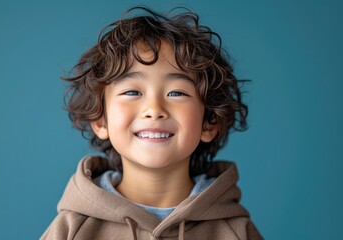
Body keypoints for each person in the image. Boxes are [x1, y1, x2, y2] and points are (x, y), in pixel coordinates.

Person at [41, 6, 263, 240]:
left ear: (209, 121)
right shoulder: (70, 230)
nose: (154, 110)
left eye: (177, 93)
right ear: (100, 120)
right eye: (132, 92)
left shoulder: (237, 233)